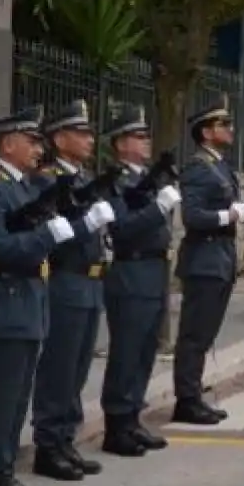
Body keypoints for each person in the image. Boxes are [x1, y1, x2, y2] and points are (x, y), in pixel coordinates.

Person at [0, 105, 72, 486]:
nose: (38, 148)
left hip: (30, 302)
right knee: (0, 397)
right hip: (6, 301)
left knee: (17, 398)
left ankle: (6, 471)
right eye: (31, 141)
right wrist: (45, 237)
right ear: (8, 144)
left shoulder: (28, 188)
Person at [30, 100, 120, 480]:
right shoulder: (47, 180)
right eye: (80, 132)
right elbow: (57, 238)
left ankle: (66, 437)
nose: (89, 139)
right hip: (66, 279)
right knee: (59, 366)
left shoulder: (84, 180)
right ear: (59, 138)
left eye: (88, 132)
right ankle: (48, 444)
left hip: (91, 281)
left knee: (79, 366)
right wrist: (87, 225)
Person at [100, 105, 183, 455]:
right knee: (127, 350)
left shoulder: (145, 178)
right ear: (120, 144)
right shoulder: (114, 182)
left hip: (153, 271)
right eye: (138, 135)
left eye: (147, 134)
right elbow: (122, 230)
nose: (146, 141)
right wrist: (158, 208)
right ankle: (116, 425)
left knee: (146, 349)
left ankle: (133, 417)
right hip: (130, 271)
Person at [171, 99, 244, 425]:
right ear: (206, 132)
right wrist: (227, 215)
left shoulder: (219, 166)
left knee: (205, 334)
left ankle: (194, 394)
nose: (230, 130)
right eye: (223, 125)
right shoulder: (198, 168)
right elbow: (192, 215)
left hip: (220, 259)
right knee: (193, 335)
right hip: (204, 259)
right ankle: (186, 400)